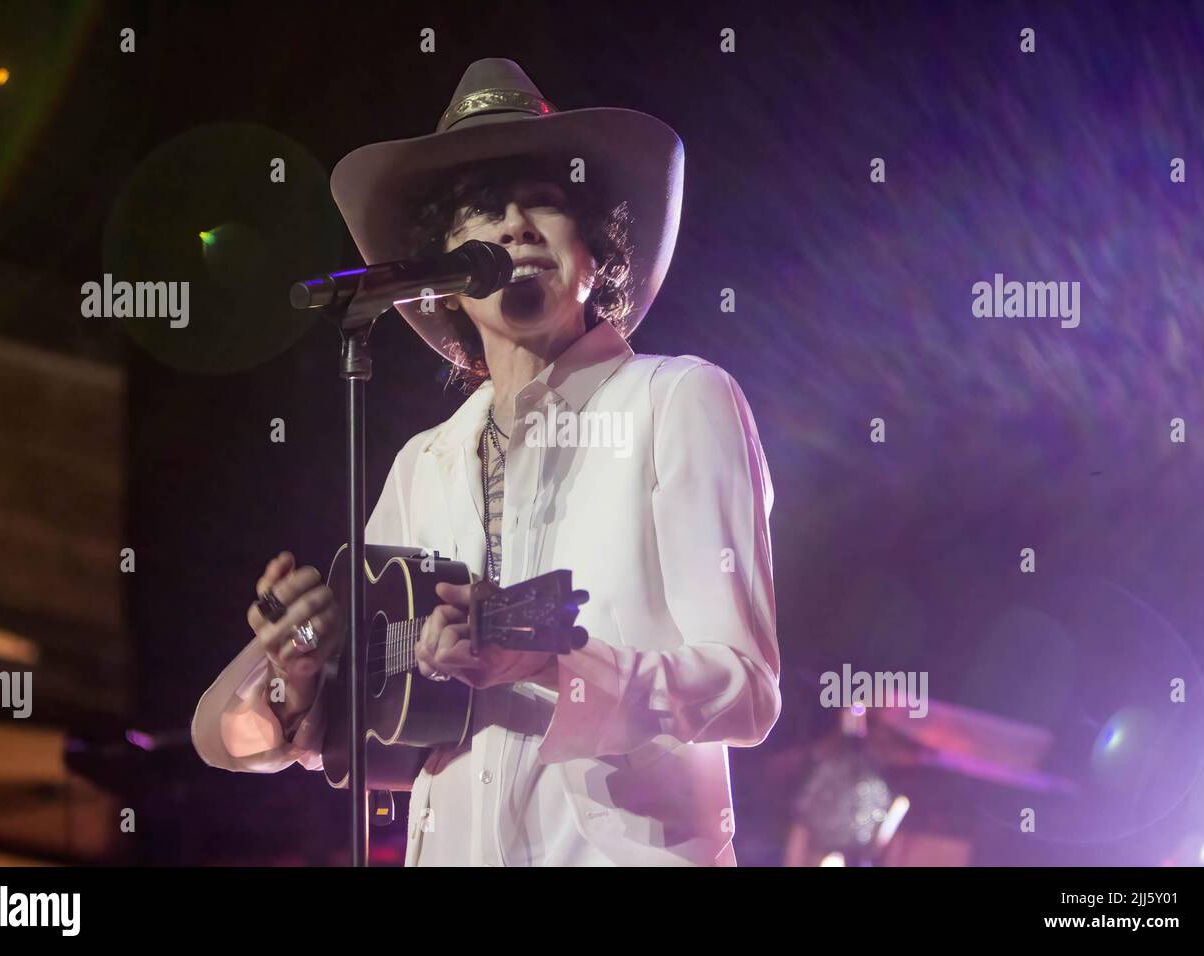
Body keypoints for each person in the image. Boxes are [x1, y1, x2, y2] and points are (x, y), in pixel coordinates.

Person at [192, 58, 781, 866]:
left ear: (598, 251)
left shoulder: (676, 400)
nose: (512, 226)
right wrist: (300, 673)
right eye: (480, 211)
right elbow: (292, 736)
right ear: (443, 276)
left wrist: (550, 662)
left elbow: (746, 691)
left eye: (544, 200)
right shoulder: (421, 464)